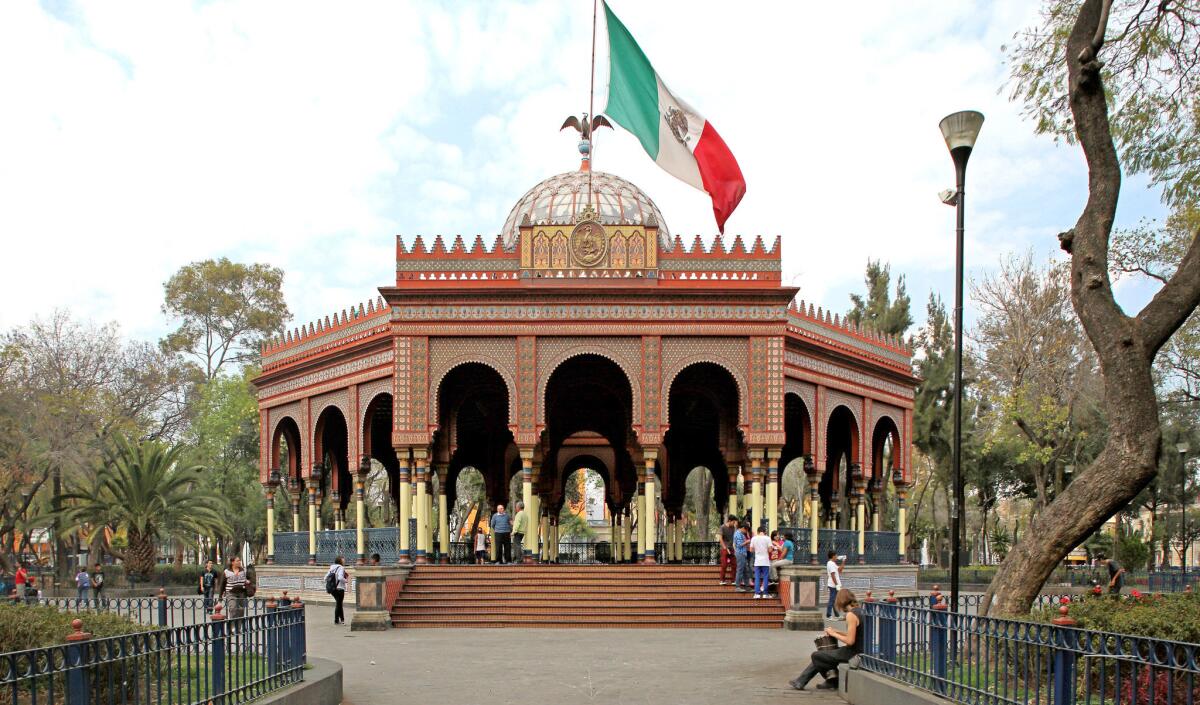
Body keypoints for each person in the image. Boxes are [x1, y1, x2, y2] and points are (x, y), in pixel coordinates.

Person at [791, 589, 863, 691]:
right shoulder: (860, 611)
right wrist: (836, 631)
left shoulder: (851, 615)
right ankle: (801, 682)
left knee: (816, 655)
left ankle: (833, 681)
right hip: (860, 650)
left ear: (840, 601)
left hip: (853, 653)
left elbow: (850, 641)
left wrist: (834, 634)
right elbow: (854, 635)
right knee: (823, 655)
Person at [749, 526, 772, 598]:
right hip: (765, 561)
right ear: (764, 531)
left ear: (758, 531)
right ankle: (765, 594)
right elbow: (770, 550)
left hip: (757, 561)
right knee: (765, 577)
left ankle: (757, 594)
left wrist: (757, 550)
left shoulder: (754, 538)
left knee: (757, 577)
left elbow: (751, 550)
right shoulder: (768, 538)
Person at [326, 556, 350, 625]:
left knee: (338, 604)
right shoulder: (341, 568)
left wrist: (331, 583)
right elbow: (340, 578)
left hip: (333, 589)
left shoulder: (331, 567)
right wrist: (346, 581)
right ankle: (341, 620)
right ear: (340, 561)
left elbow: (325, 577)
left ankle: (337, 620)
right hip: (340, 588)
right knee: (339, 604)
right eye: (343, 560)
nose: (344, 561)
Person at [717, 515, 738, 585]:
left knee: (734, 564)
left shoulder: (734, 528)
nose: (734, 523)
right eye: (733, 522)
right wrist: (725, 548)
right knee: (724, 564)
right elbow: (720, 538)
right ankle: (722, 580)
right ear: (729, 521)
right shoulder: (722, 527)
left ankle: (733, 580)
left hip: (731, 548)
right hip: (724, 548)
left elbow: (734, 539)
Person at [733, 522, 753, 593]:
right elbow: (739, 545)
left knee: (745, 570)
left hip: (743, 554)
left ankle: (747, 586)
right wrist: (747, 542)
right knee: (740, 570)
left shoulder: (741, 534)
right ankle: (737, 586)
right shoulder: (738, 534)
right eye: (746, 530)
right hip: (740, 553)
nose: (746, 531)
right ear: (743, 528)